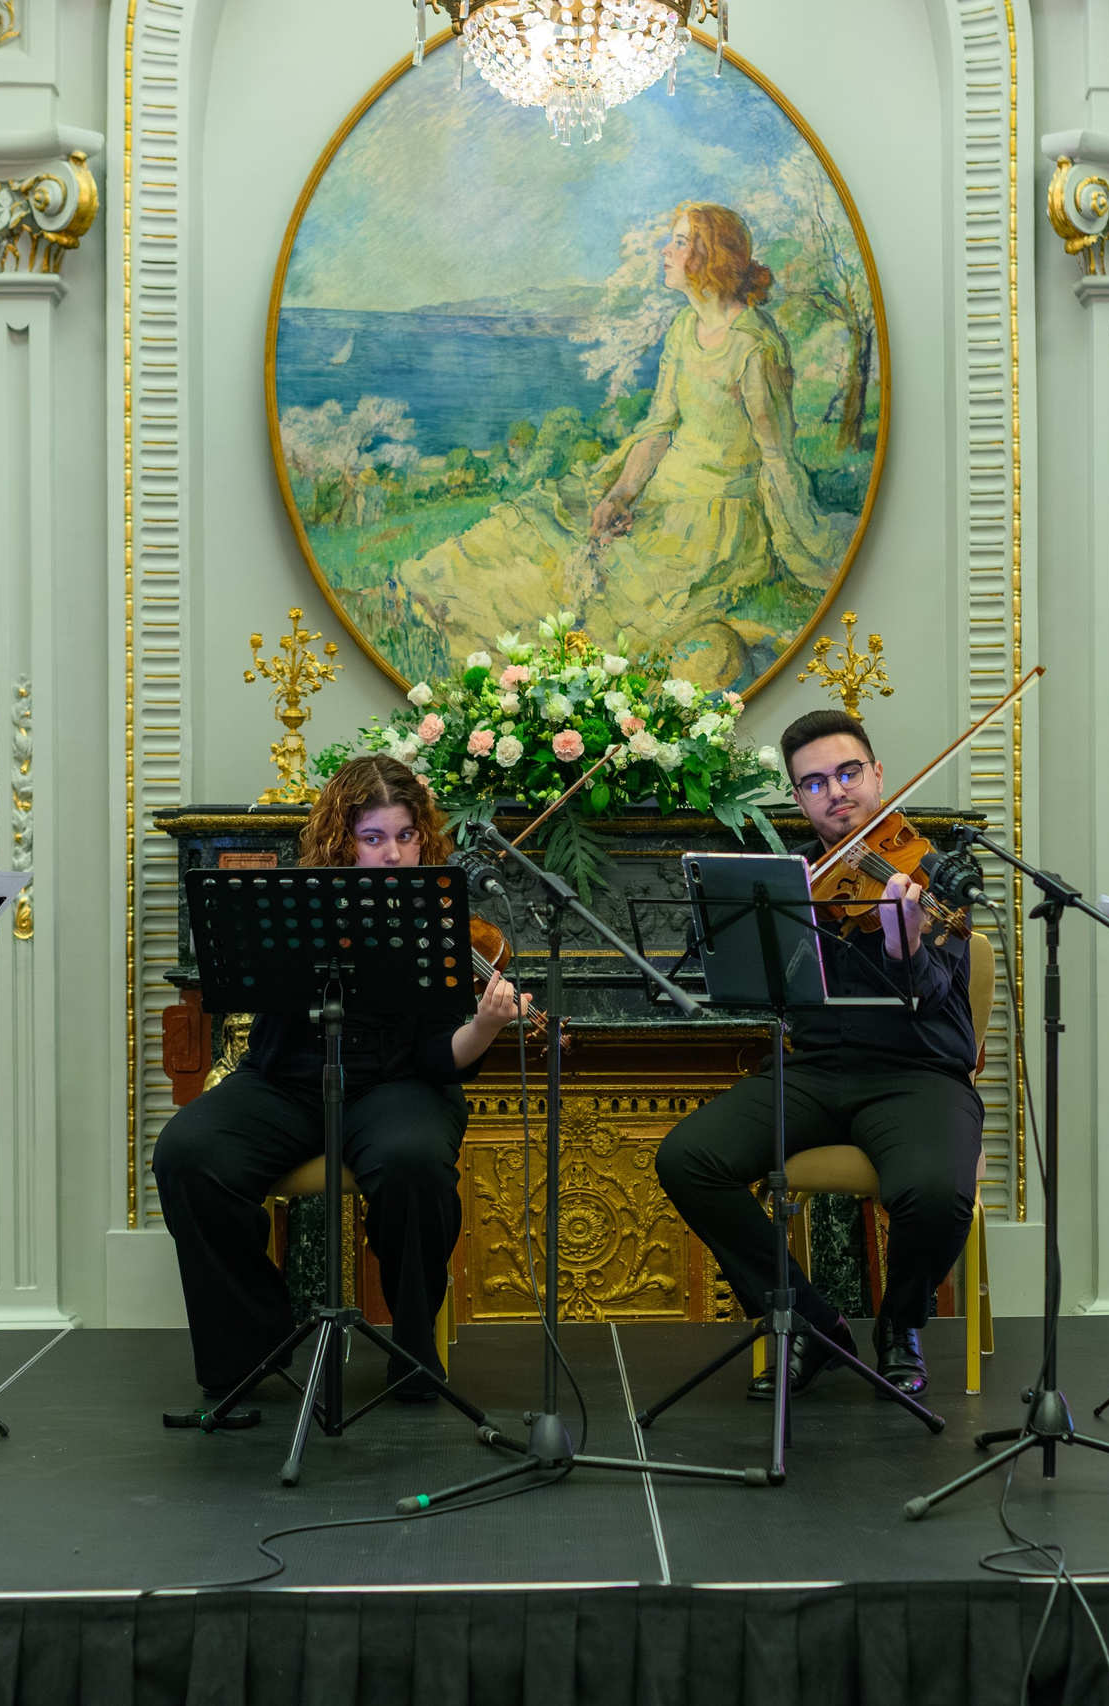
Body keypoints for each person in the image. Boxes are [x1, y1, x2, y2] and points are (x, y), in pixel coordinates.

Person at [151, 755, 528, 1417]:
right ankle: (255, 1338)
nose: (393, 855)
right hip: (287, 1081)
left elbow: (441, 1056)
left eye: (406, 836)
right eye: (374, 838)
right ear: (341, 839)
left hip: (401, 1084)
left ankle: (413, 1347)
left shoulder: (441, 917)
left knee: (414, 1166)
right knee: (188, 1153)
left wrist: (488, 1027)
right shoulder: (292, 906)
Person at [653, 709, 984, 1399]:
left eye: (848, 772)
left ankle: (900, 1324)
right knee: (688, 1159)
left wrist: (906, 947)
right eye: (814, 783)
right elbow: (765, 989)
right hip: (813, 1070)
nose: (836, 791)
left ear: (878, 774)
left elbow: (939, 991)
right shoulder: (795, 882)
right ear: (800, 799)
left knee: (935, 1194)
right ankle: (809, 1323)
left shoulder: (935, 875)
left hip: (916, 1073)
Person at [394, 202, 853, 691]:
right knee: (544, 525)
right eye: (671, 240)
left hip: (714, 520)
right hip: (660, 496)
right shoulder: (683, 328)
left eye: (680, 242)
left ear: (712, 257)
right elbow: (658, 426)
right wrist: (621, 495)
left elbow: (776, 455)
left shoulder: (754, 345)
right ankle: (427, 602)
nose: (666, 251)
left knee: (604, 584)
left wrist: (803, 537)